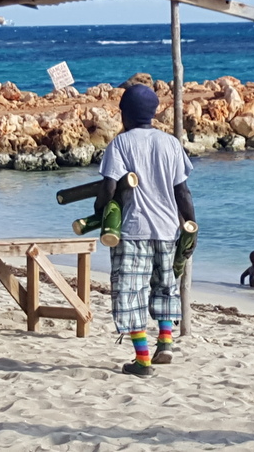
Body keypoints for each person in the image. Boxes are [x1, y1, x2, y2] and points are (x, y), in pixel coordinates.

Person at [94, 84, 196, 378]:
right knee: (165, 286)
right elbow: (183, 192)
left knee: (131, 294)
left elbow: (109, 186)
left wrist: (100, 209)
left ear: (124, 114)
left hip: (133, 229)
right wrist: (191, 226)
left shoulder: (121, 144)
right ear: (153, 113)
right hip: (167, 229)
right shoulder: (171, 144)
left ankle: (142, 360)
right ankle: (165, 342)